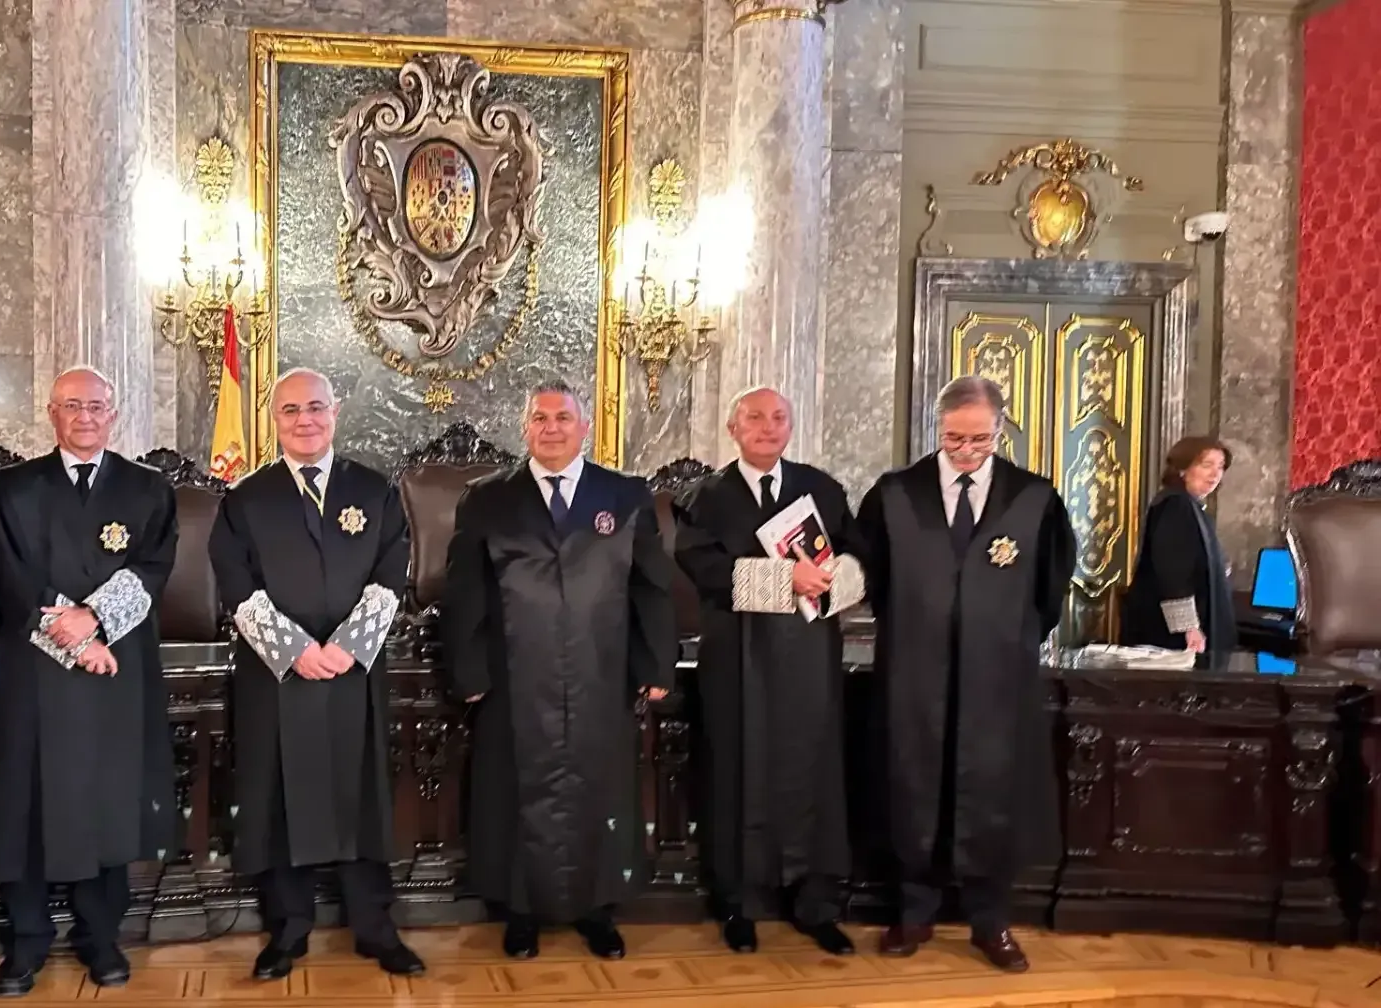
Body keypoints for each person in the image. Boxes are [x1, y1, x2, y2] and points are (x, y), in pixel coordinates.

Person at [441, 380, 676, 961]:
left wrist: (656, 662)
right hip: (515, 678)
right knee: (517, 792)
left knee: (599, 791)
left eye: (563, 418)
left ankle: (597, 910)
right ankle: (521, 912)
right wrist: (467, 671)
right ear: (524, 428)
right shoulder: (486, 498)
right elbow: (464, 592)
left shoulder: (624, 496)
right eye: (540, 418)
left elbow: (652, 587)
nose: (551, 428)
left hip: (602, 672)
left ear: (585, 427)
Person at [208, 368, 425, 982]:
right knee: (280, 798)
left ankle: (375, 929)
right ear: (273, 420)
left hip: (353, 674)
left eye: (315, 408)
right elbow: (236, 584)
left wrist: (349, 646)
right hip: (277, 677)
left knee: (359, 798)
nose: (304, 420)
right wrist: (295, 649)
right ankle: (287, 931)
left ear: (336, 413)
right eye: (290, 410)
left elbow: (391, 574)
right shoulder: (246, 498)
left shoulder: (375, 490)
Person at [858, 375, 1076, 974]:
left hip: (997, 679)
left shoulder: (1033, 498)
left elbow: (1049, 589)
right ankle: (913, 912)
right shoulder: (895, 494)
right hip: (913, 675)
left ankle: (990, 921)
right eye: (953, 437)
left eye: (978, 439)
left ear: (1000, 430)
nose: (964, 450)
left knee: (992, 794)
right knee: (914, 787)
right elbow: (871, 577)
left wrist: (999, 632)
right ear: (938, 428)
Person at [0, 368, 176, 996]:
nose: (85, 416)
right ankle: (26, 942)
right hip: (33, 676)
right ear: (51, 413)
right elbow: (6, 575)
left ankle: (100, 936)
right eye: (72, 406)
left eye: (96, 406)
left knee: (106, 804)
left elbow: (153, 567)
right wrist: (73, 637)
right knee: (28, 806)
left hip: (116, 674)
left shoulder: (148, 489)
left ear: (113, 414)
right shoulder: (9, 489)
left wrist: (94, 624)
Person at [670, 387, 861, 957]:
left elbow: (858, 556)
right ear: (733, 428)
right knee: (736, 772)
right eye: (754, 417)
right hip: (738, 658)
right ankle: (738, 904)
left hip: (809, 657)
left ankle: (816, 904)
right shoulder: (703, 497)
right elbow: (702, 569)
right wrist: (785, 582)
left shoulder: (822, 489)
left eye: (779, 417)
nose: (767, 426)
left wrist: (832, 581)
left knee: (813, 773)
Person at [1121, 436, 1236, 655]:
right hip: (1174, 637)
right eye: (1206, 465)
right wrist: (1189, 628)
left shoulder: (1190, 506)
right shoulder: (1176, 506)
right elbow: (1173, 571)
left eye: (1220, 467)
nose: (1215, 474)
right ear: (1182, 469)